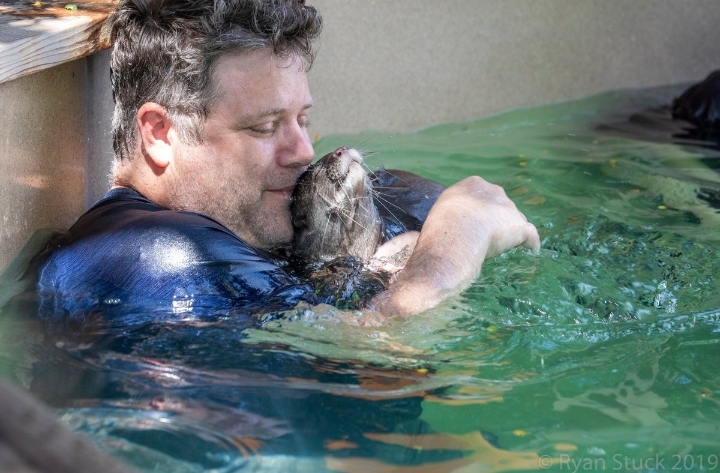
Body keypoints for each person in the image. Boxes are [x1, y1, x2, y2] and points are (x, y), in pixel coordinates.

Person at [32, 0, 540, 325]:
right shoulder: (153, 255)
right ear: (161, 134)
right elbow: (381, 352)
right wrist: (456, 237)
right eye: (263, 126)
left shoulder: (243, 231)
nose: (302, 151)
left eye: (302, 119)